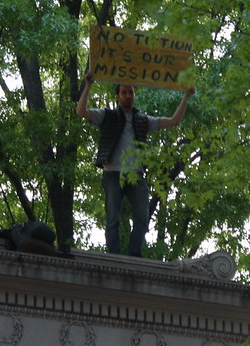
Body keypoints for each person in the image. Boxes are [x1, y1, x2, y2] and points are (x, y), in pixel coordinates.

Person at [76, 71, 195, 256]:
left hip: (136, 174)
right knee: (112, 218)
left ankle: (133, 255)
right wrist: (88, 86)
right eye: (124, 92)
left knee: (142, 217)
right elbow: (81, 112)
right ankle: (114, 256)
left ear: (134, 95)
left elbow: (173, 121)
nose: (128, 95)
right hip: (112, 172)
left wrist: (186, 97)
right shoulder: (107, 116)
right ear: (117, 96)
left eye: (130, 92)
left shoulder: (142, 120)